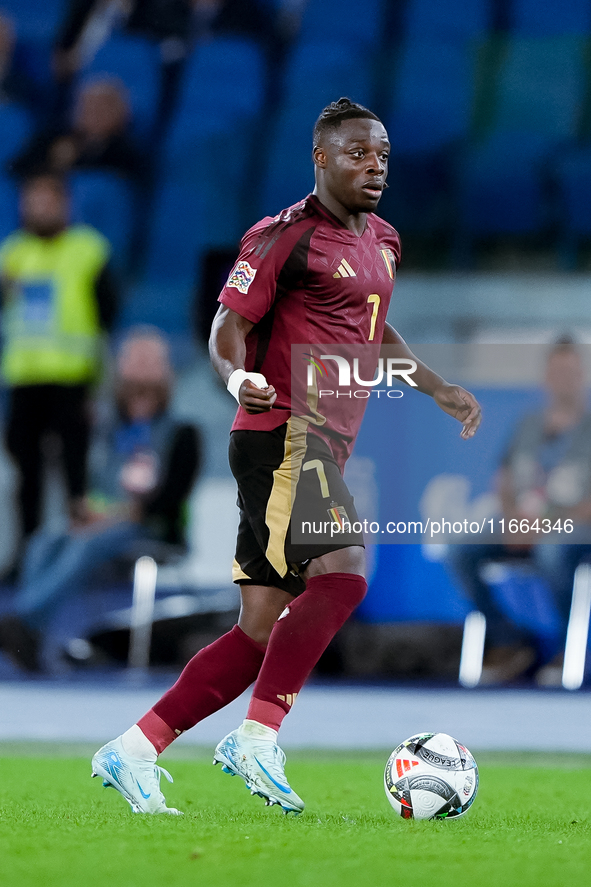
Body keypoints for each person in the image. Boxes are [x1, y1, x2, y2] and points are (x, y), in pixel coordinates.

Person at [91, 98, 481, 816]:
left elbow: (370, 325)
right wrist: (238, 376)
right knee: (343, 577)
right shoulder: (283, 236)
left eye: (384, 156)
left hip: (319, 439)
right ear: (321, 157)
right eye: (359, 153)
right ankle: (258, 737)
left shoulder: (384, 239)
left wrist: (434, 386)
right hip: (282, 430)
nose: (375, 167)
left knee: (261, 627)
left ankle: (135, 747)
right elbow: (224, 328)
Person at [0, 328, 201, 672]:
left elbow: (169, 499)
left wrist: (120, 515)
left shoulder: (182, 433)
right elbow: (85, 482)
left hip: (149, 527)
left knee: (87, 545)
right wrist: (84, 508)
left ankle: (23, 618)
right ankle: (31, 637)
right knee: (44, 540)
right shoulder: (103, 428)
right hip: (100, 521)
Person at [446, 337, 591, 686]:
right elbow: (505, 479)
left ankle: (561, 651)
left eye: (571, 372)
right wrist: (512, 517)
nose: (564, 379)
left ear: (582, 376)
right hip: (520, 522)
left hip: (574, 526)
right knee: (460, 549)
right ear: (546, 377)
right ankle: (510, 641)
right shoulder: (528, 424)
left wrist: (546, 525)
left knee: (552, 551)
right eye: (557, 371)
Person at [0, 173, 117, 558]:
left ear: (64, 204)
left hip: (73, 379)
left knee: (75, 475)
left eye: (47, 200)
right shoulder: (12, 254)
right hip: (24, 378)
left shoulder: (88, 251)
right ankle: (27, 552)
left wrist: (98, 382)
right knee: (26, 474)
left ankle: (76, 552)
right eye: (31, 201)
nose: (39, 209)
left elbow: (107, 315)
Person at [9, 78, 142, 182]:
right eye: (88, 105)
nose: (94, 113)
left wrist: (75, 162)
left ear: (121, 114)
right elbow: (17, 170)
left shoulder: (127, 156)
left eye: (104, 107)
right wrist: (52, 163)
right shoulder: (52, 140)